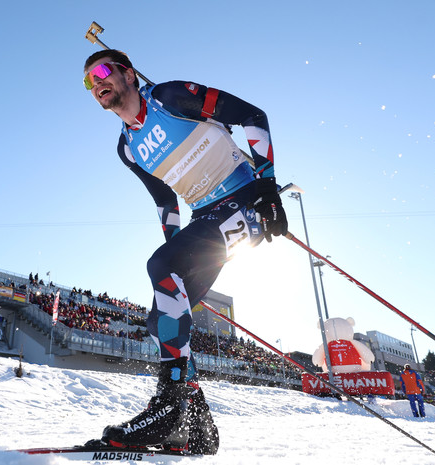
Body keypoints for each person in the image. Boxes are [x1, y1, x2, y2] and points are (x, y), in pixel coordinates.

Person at [82, 50, 288, 453]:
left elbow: (253, 116)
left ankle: (169, 405)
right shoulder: (128, 147)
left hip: (246, 198)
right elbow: (164, 201)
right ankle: (196, 426)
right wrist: (171, 248)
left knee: (163, 269)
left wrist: (268, 187)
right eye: (89, 82)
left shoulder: (170, 98)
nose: (97, 84)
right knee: (160, 317)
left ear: (128, 74)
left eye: (103, 72)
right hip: (205, 216)